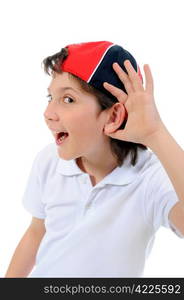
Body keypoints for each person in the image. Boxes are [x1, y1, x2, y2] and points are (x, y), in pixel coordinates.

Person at [5, 41, 184, 278]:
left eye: (68, 99)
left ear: (113, 115)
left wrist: (155, 133)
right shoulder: (48, 161)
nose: (48, 114)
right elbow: (36, 232)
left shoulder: (151, 179)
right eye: (50, 97)